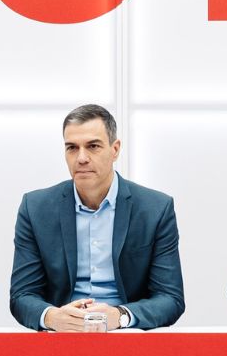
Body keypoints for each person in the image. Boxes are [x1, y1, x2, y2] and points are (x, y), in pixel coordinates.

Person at [10, 104, 184, 331]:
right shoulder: (35, 208)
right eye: (72, 148)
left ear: (115, 149)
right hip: (61, 336)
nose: (81, 158)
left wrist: (121, 316)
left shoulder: (155, 209)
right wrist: (52, 317)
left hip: (127, 334)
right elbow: (22, 295)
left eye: (93, 146)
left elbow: (170, 298)